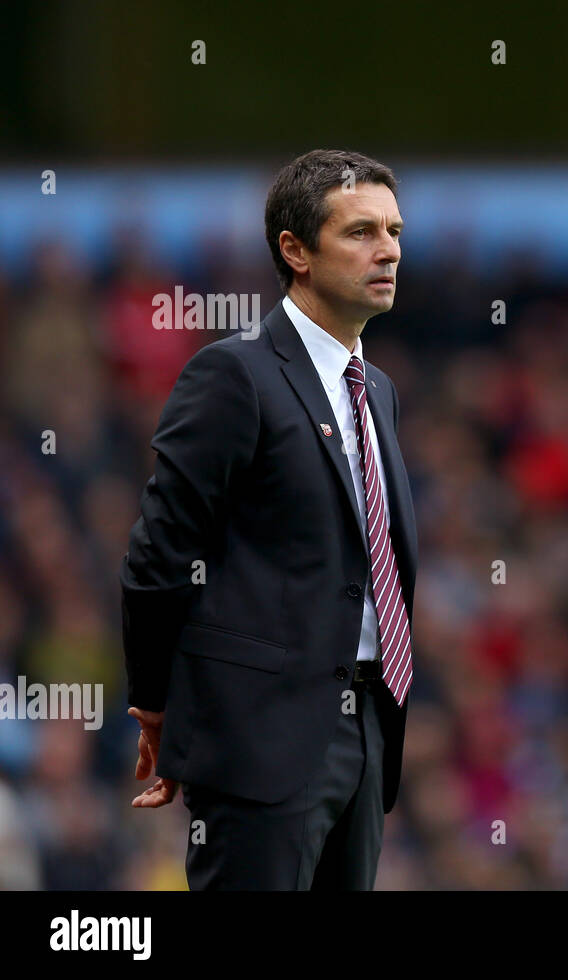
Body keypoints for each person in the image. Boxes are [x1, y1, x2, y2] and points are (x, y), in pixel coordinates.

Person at [120, 149, 417, 890]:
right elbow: (160, 557)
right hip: (261, 743)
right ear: (295, 250)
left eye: (394, 230)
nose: (387, 250)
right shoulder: (235, 374)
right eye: (359, 232)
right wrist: (158, 707)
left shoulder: (376, 387)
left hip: (365, 731)